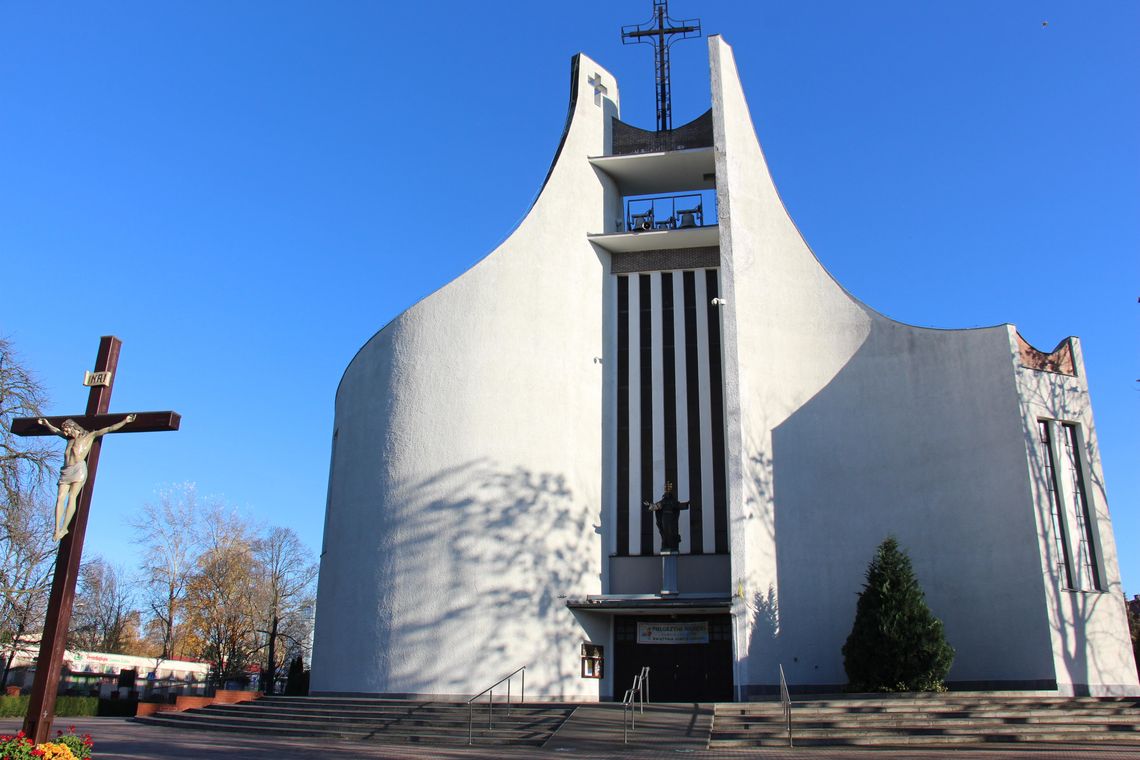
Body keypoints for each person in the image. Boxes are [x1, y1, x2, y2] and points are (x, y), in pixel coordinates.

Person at [38, 414, 136, 541]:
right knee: (60, 498)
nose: (65, 432)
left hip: (78, 469)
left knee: (72, 497)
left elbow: (109, 428)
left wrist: (125, 421)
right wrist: (46, 424)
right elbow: (56, 431)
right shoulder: (69, 439)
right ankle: (56, 529)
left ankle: (64, 528)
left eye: (67, 429)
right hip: (65, 470)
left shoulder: (89, 436)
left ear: (74, 427)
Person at [644, 480, 690, 553]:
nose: (667, 495)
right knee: (665, 532)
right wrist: (649, 505)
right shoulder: (663, 502)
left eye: (669, 494)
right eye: (666, 494)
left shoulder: (673, 501)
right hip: (664, 518)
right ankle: (666, 545)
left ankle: (672, 545)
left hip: (671, 518)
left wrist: (687, 503)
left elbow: (678, 505)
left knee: (672, 531)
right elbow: (656, 506)